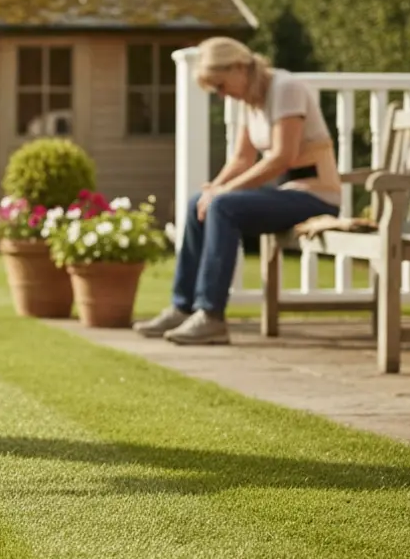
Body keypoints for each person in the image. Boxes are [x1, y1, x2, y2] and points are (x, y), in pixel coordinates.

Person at [133, 36, 342, 345]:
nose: (221, 94)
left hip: (315, 197)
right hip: (287, 194)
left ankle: (211, 316)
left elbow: (281, 157)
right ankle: (183, 306)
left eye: (220, 85)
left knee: (223, 206)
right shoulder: (251, 101)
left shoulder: (286, 89)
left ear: (239, 67)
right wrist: (214, 188)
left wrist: (223, 194)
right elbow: (242, 159)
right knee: (197, 204)